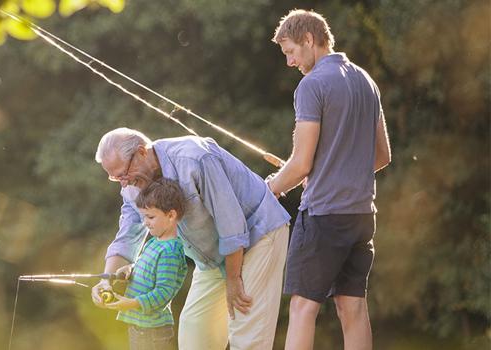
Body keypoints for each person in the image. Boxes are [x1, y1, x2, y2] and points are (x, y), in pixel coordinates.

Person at [91, 127, 291, 349]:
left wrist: (233, 279)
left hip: (258, 235)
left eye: (123, 173)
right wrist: (106, 279)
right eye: (115, 177)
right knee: (194, 332)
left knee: (246, 333)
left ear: (141, 152)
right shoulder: (133, 185)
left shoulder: (194, 158)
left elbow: (231, 223)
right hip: (214, 256)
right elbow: (129, 231)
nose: (123, 182)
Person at [266, 9, 392, 350]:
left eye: (291, 51)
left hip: (323, 216)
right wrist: (335, 173)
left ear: (309, 40)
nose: (290, 62)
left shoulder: (313, 85)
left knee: (302, 307)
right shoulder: (366, 81)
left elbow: (301, 164)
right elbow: (383, 156)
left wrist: (269, 189)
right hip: (363, 215)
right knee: (353, 306)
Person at [102, 178, 188, 350]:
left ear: (171, 215)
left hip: (153, 331)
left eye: (150, 217)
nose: (145, 222)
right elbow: (147, 268)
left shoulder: (170, 251)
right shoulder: (154, 242)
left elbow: (163, 292)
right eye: (143, 217)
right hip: (140, 326)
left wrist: (132, 303)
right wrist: (130, 269)